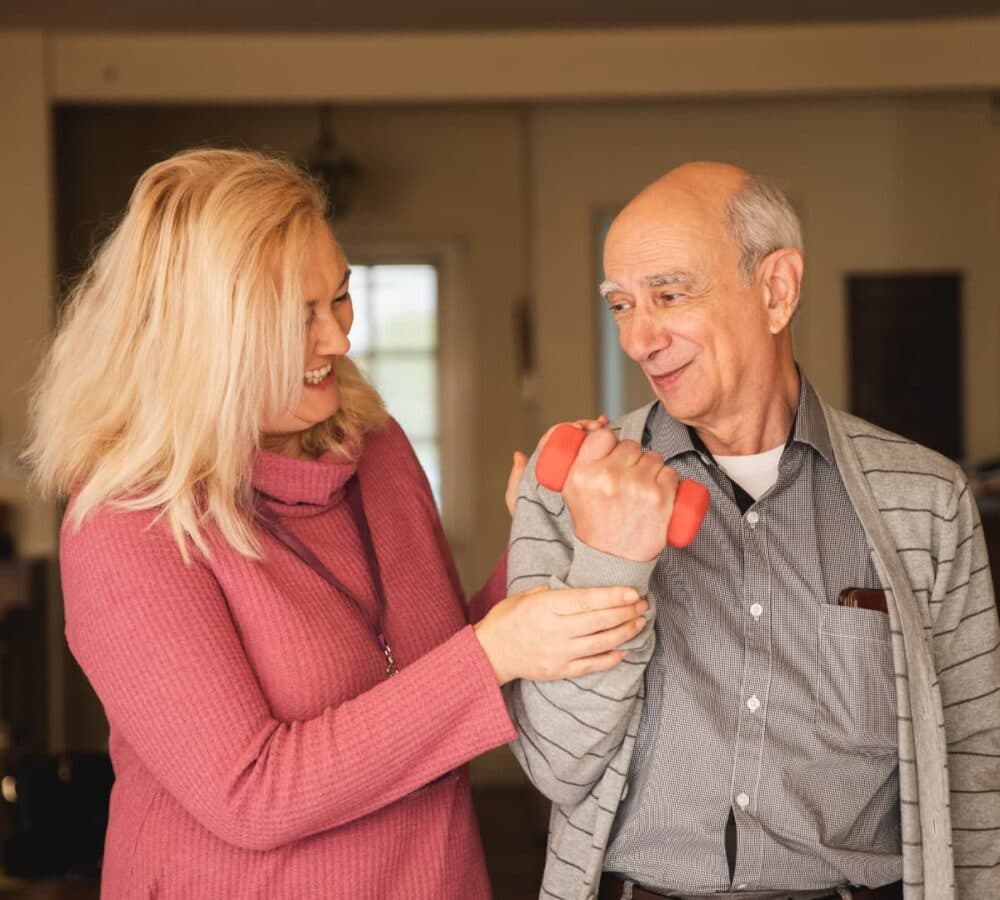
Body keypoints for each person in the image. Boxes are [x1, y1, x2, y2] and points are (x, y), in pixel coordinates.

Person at [24, 147, 650, 899]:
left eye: (341, 298)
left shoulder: (377, 448)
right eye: (298, 318)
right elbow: (251, 793)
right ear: (204, 340)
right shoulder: (129, 522)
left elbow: (429, 670)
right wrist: (494, 651)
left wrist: (547, 538)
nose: (338, 340)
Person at [507, 162, 999, 900]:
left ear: (777, 290)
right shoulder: (566, 492)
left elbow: (975, 762)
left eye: (669, 295)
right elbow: (557, 762)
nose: (639, 338)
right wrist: (610, 558)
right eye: (620, 304)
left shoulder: (926, 499)